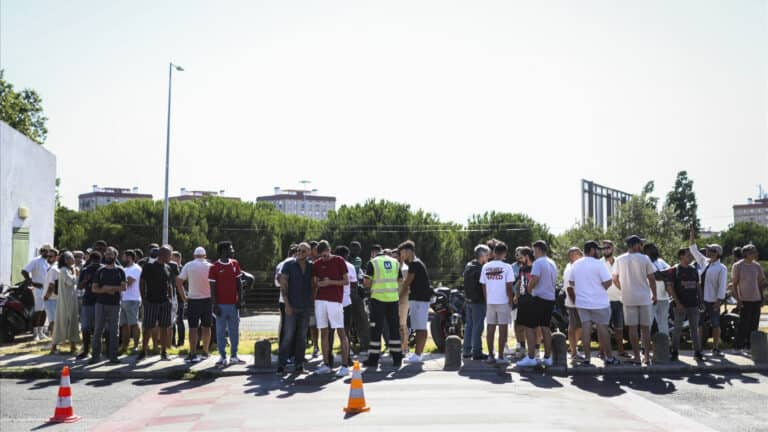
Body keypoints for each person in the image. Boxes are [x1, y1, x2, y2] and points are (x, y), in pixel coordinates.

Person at [568, 241, 619, 366]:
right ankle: (609, 357)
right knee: (603, 330)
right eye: (597, 249)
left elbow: (571, 282)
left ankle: (587, 357)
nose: (599, 252)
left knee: (586, 329)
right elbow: (608, 282)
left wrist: (583, 286)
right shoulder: (599, 264)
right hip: (599, 302)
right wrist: (598, 287)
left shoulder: (576, 264)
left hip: (582, 303)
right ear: (592, 250)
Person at [613, 235, 657, 365]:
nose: (641, 246)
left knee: (632, 329)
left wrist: (623, 288)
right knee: (645, 329)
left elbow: (615, 278)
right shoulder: (645, 258)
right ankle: (647, 357)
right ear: (636, 245)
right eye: (640, 244)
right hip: (644, 297)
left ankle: (637, 357)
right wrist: (654, 294)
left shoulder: (620, 259)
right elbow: (652, 278)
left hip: (628, 297)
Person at [312, 240, 351, 376]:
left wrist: (330, 282)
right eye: (322, 256)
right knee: (324, 332)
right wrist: (319, 284)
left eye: (326, 255)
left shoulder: (339, 261)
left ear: (330, 250)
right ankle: (326, 364)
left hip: (335, 300)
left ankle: (345, 365)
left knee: (340, 331)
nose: (325, 258)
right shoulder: (317, 264)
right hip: (320, 301)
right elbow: (315, 283)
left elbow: (346, 281)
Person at [516, 240, 557, 367]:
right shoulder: (552, 262)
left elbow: (535, 279)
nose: (533, 253)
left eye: (534, 250)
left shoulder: (538, 262)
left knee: (529, 327)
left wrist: (528, 290)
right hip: (550, 298)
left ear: (538, 250)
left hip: (538, 298)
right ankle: (548, 357)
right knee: (545, 327)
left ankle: (531, 357)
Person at [362, 244, 402, 368]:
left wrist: (365, 283)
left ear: (375, 253)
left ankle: (373, 359)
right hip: (393, 299)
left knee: (376, 330)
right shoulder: (395, 262)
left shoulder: (372, 262)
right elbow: (400, 280)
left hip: (378, 300)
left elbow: (367, 283)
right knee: (394, 329)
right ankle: (397, 358)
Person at [689, 228, 728, 356]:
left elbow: (722, 285)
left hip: (713, 300)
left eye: (710, 250)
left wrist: (719, 300)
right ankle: (699, 347)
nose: (707, 251)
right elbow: (693, 249)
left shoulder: (722, 268)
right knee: (699, 323)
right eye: (708, 250)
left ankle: (715, 347)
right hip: (701, 299)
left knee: (716, 324)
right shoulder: (704, 262)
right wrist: (692, 234)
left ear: (717, 253)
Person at [277, 243, 313, 374]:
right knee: (288, 335)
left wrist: (312, 303)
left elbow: (313, 284)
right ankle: (281, 365)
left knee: (302, 337)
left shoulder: (311, 267)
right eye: (298, 250)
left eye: (303, 251)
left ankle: (299, 365)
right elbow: (283, 285)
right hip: (291, 306)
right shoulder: (288, 265)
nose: (299, 253)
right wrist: (286, 304)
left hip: (305, 307)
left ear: (308, 253)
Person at [663, 248, 704, 361]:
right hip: (680, 305)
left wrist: (701, 301)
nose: (690, 257)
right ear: (681, 257)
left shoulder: (694, 270)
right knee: (677, 329)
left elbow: (698, 286)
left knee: (694, 329)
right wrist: (677, 303)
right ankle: (674, 351)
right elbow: (670, 287)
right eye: (688, 255)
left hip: (693, 304)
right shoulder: (674, 270)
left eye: (690, 255)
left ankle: (697, 352)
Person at [209, 241, 244, 367]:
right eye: (230, 249)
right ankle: (222, 356)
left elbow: (239, 283)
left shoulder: (235, 264)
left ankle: (234, 355)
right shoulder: (214, 267)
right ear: (223, 251)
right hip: (220, 306)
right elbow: (212, 288)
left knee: (234, 331)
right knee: (220, 332)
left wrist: (240, 299)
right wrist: (214, 305)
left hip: (234, 305)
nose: (233, 250)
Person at [481, 242, 515, 364]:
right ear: (505, 253)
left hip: (490, 301)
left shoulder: (486, 267)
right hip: (503, 301)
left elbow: (483, 286)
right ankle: (501, 356)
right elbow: (509, 286)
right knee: (503, 329)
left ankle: (491, 355)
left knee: (490, 328)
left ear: (494, 252)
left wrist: (487, 299)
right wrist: (511, 301)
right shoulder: (507, 267)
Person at [138, 246, 175, 361]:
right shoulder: (149, 267)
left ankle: (163, 352)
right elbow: (142, 282)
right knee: (148, 327)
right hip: (151, 301)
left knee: (164, 327)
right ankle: (144, 351)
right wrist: (143, 298)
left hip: (164, 302)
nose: (171, 257)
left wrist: (170, 298)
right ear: (163, 255)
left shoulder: (168, 267)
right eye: (169, 255)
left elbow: (168, 284)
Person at [90, 247, 126, 364]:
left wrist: (110, 288)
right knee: (98, 330)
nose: (108, 256)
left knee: (114, 331)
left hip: (115, 304)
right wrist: (105, 290)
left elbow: (124, 287)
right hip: (100, 304)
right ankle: (95, 356)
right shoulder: (100, 271)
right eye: (106, 254)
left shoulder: (120, 271)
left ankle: (113, 356)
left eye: (111, 254)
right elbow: (94, 288)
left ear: (115, 256)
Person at [177, 247, 213, 363]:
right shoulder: (210, 266)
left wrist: (184, 297)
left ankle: (192, 353)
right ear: (205, 255)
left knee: (193, 328)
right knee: (206, 327)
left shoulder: (188, 265)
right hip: (207, 299)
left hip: (193, 299)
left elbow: (178, 282)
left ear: (194, 255)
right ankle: (205, 352)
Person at [400, 240, 431, 363]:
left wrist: (398, 297)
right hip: (419, 299)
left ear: (409, 251)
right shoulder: (416, 263)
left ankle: (418, 355)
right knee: (419, 327)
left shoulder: (414, 264)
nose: (402, 256)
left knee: (420, 328)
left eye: (403, 253)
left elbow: (407, 282)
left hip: (419, 299)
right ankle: (418, 354)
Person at [732, 244, 765, 351]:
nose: (756, 254)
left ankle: (750, 347)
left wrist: (762, 297)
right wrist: (738, 300)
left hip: (756, 299)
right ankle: (737, 347)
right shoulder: (738, 266)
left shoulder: (757, 266)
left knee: (754, 325)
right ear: (747, 253)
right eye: (754, 252)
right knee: (743, 325)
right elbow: (734, 284)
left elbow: (760, 283)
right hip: (744, 300)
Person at [462, 244, 490, 360]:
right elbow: (484, 285)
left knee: (469, 326)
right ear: (482, 256)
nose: (488, 258)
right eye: (487, 255)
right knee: (478, 327)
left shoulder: (468, 265)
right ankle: (477, 352)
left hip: (468, 300)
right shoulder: (481, 268)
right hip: (478, 302)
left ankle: (466, 351)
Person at [51, 251, 80, 354]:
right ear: (66, 260)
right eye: (72, 258)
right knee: (62, 321)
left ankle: (73, 346)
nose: (74, 259)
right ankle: (54, 347)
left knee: (72, 321)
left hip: (71, 298)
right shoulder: (63, 270)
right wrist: (76, 274)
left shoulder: (68, 269)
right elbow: (70, 282)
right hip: (65, 300)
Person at [21, 244, 52, 341]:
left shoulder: (48, 262)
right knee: (38, 311)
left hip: (46, 289)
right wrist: (31, 282)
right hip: (38, 289)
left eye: (48, 251)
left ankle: (41, 332)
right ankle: (35, 333)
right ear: (41, 251)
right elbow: (24, 271)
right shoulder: (36, 261)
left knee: (44, 311)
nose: (47, 252)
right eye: (44, 250)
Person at [601, 240, 626, 357]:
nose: (605, 249)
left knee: (619, 328)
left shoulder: (620, 262)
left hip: (619, 299)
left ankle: (621, 351)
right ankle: (602, 352)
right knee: (603, 328)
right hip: (604, 301)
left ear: (612, 248)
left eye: (608, 247)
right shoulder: (599, 263)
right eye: (604, 248)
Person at [77, 251, 102, 359]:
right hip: (89, 301)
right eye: (94, 261)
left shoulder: (103, 270)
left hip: (99, 301)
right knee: (86, 328)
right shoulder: (86, 270)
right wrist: (86, 280)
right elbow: (80, 286)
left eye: (97, 261)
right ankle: (86, 351)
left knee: (97, 328)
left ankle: (96, 352)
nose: (96, 263)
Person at [644, 243, 671, 336]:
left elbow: (671, 271)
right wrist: (664, 275)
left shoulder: (660, 261)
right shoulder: (646, 262)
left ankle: (665, 344)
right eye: (653, 249)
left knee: (663, 322)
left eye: (655, 248)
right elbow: (657, 276)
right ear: (647, 251)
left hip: (664, 297)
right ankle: (644, 346)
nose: (656, 250)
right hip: (651, 298)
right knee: (648, 323)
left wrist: (662, 274)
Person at [275, 245, 298, 354]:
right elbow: (278, 281)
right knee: (287, 328)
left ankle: (287, 352)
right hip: (286, 300)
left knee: (286, 327)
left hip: (284, 300)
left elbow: (276, 282)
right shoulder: (287, 264)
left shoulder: (280, 264)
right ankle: (285, 353)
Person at [562, 247, 584, 360]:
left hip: (578, 302)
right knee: (574, 327)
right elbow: (569, 288)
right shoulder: (570, 268)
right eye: (576, 254)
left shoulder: (575, 267)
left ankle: (573, 348)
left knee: (579, 327)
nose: (580, 256)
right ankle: (574, 352)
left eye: (579, 253)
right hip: (574, 303)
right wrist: (576, 303)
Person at [513, 247, 534, 359]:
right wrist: (517, 295)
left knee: (534, 327)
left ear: (526, 256)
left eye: (521, 256)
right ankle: (522, 348)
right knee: (519, 325)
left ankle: (535, 350)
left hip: (533, 300)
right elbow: (519, 283)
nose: (519, 259)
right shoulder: (522, 269)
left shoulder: (535, 267)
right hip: (522, 300)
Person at [119, 250, 142, 353]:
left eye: (124, 256)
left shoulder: (136, 268)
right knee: (124, 324)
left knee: (133, 324)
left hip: (133, 299)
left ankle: (136, 345)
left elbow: (129, 283)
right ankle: (125, 346)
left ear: (129, 257)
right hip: (123, 299)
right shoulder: (124, 269)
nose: (122, 259)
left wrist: (116, 285)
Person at [43, 248, 60, 338]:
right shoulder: (55, 267)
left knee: (52, 321)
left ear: (56, 257)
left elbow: (51, 285)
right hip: (55, 298)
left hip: (51, 299)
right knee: (54, 321)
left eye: (50, 256)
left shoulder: (53, 269)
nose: (48, 258)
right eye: (47, 256)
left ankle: (54, 343)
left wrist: (46, 296)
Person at [169, 251, 184, 348]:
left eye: (172, 258)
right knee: (172, 321)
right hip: (172, 297)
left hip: (180, 298)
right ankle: (172, 341)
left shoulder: (183, 269)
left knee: (179, 320)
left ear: (178, 259)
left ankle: (181, 341)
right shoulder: (171, 268)